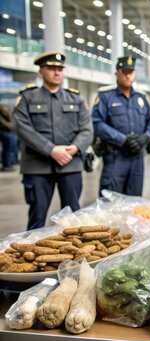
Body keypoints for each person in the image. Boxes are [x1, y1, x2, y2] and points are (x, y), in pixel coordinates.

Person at [12, 51, 93, 230]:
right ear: (41, 72)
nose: (57, 72)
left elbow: (87, 129)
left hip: (70, 164)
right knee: (37, 216)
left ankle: (76, 256)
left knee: (73, 216)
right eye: (51, 68)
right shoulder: (27, 98)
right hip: (38, 167)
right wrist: (50, 149)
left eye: (60, 69)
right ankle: (31, 253)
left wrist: (75, 147)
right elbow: (22, 128)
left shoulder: (76, 98)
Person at [92, 56, 150, 196]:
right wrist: (122, 139)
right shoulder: (105, 97)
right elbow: (97, 123)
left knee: (135, 202)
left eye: (131, 72)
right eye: (125, 72)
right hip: (115, 157)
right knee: (110, 203)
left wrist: (145, 137)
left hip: (137, 158)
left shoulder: (141, 98)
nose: (128, 75)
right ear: (117, 73)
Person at [0, 103, 18, 171]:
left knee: (10, 149)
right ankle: (7, 164)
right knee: (8, 149)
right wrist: (10, 125)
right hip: (6, 131)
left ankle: (8, 163)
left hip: (9, 131)